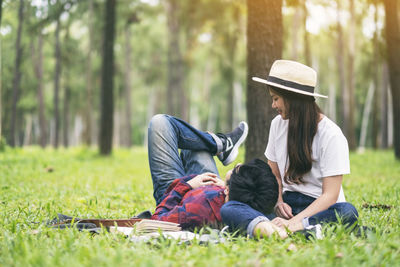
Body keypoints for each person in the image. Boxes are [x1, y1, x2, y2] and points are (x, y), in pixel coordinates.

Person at [221, 60, 359, 236]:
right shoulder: (277, 125)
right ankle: (304, 231)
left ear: (293, 99)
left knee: (348, 212)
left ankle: (288, 229)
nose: (273, 105)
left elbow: (330, 196)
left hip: (320, 209)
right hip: (287, 205)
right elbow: (275, 177)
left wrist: (293, 223)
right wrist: (278, 202)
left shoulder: (331, 134)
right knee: (230, 208)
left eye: (276, 99)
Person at [147, 114, 287, 238]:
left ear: (229, 189)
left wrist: (187, 185)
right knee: (195, 142)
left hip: (175, 194)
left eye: (237, 169)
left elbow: (157, 221)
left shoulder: (195, 210)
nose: (237, 165)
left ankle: (219, 143)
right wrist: (224, 186)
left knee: (160, 123)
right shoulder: (246, 202)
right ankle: (218, 143)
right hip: (211, 189)